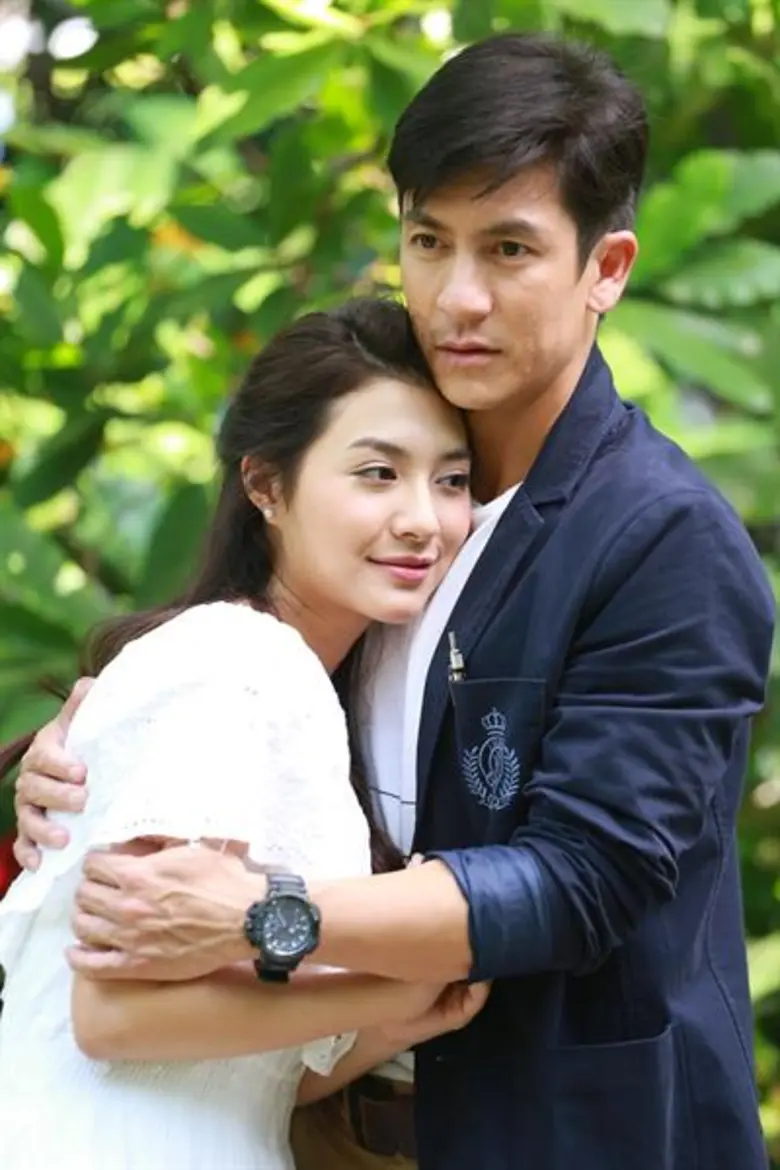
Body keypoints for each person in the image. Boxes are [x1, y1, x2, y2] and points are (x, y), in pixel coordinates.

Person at [12, 31, 776, 1170]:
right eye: (428, 241)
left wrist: (264, 914)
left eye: (509, 248)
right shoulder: (383, 506)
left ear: (606, 269)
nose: (458, 297)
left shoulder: (661, 538)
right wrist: (93, 757)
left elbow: (585, 878)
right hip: (318, 1114)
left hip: (563, 1137)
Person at [0, 297, 489, 1170]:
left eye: (450, 481)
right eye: (378, 472)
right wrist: (393, 984)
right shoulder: (237, 658)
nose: (423, 517)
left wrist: (391, 1021)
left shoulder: (311, 687)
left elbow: (232, 1070)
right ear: (265, 485)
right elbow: (112, 1015)